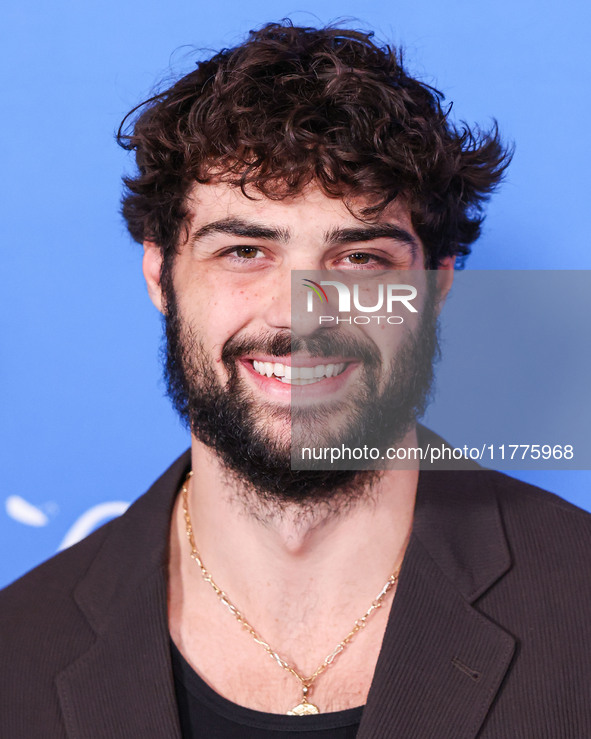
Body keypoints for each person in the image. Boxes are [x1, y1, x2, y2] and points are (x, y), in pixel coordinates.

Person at [1, 22, 590, 739]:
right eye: (245, 250)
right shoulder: (18, 655)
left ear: (436, 286)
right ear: (160, 275)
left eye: (360, 258)